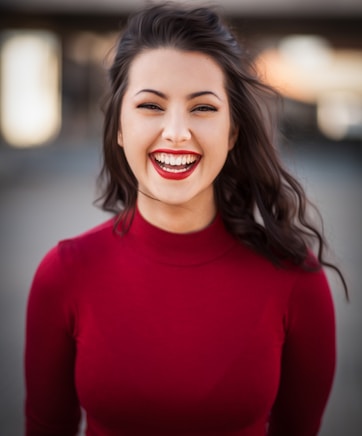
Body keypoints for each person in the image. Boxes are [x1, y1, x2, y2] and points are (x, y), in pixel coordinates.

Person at [25, 3, 347, 435]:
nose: (176, 131)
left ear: (233, 132)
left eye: (203, 108)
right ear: (119, 126)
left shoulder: (296, 279)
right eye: (151, 106)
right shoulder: (63, 274)